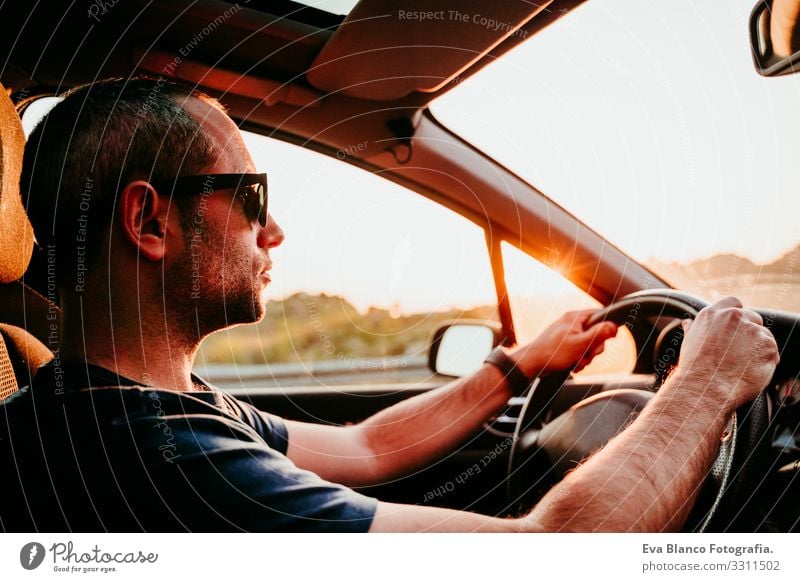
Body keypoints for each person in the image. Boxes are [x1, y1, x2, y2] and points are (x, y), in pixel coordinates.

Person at [1, 78, 778, 532]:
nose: (274, 230)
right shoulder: (153, 457)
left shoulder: (149, 406)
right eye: (251, 197)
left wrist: (513, 365)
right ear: (151, 221)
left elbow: (368, 448)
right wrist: (705, 382)